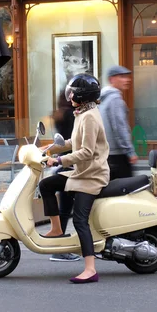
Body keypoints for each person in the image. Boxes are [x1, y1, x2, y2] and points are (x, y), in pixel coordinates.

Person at [39, 74, 110, 283]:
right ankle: (56, 228)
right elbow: (74, 141)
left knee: (80, 220)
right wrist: (50, 148)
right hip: (82, 173)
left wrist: (59, 160)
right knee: (46, 184)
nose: (69, 98)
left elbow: (87, 151)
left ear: (82, 95)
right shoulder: (82, 112)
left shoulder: (89, 117)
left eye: (72, 94)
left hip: (92, 176)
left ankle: (90, 269)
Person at [49, 90, 80, 262]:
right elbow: (73, 142)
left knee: (66, 208)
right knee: (70, 209)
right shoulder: (71, 115)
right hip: (70, 165)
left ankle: (59, 244)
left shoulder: (60, 113)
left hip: (64, 163)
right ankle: (59, 247)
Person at [99, 65, 137, 180]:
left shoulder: (103, 98)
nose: (127, 80)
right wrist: (130, 152)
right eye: (122, 76)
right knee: (127, 192)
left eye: (127, 76)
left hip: (107, 153)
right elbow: (120, 128)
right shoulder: (115, 99)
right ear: (112, 79)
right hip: (118, 154)